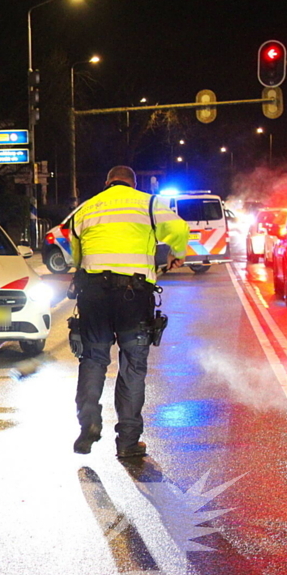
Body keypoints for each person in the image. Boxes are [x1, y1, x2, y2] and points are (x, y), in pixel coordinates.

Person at [69, 166, 189, 458]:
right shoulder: (147, 203)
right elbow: (180, 229)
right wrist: (178, 253)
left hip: (93, 294)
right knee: (133, 367)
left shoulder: (86, 209)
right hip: (133, 296)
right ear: (133, 184)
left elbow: (78, 256)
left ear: (107, 183)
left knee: (93, 359)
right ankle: (128, 442)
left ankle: (89, 424)